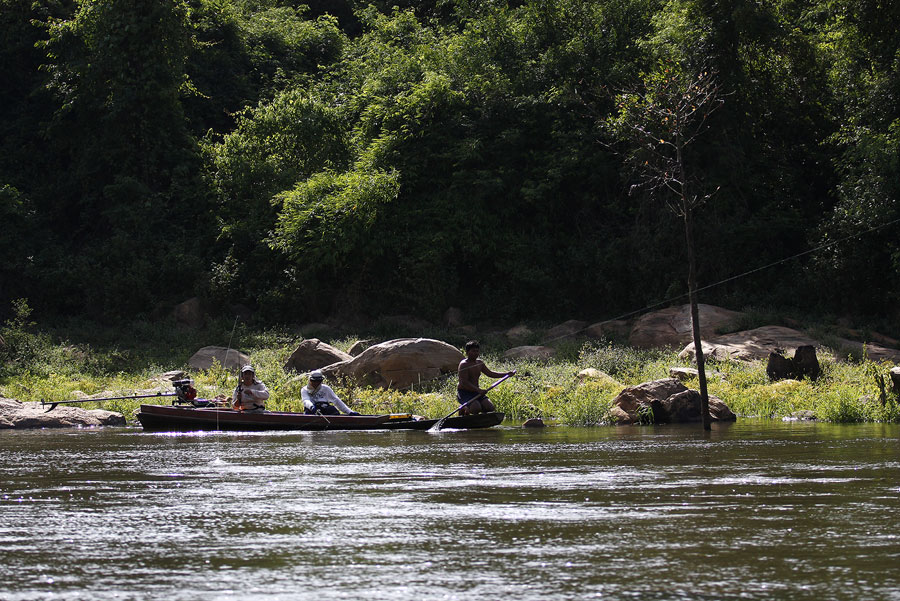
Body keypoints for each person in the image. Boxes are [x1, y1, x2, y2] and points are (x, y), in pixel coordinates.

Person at [457, 340, 515, 415]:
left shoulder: (480, 363)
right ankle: (463, 408)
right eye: (473, 351)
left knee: (490, 408)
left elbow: (490, 373)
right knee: (476, 408)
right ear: (467, 352)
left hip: (476, 392)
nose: (475, 353)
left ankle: (480, 420)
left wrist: (506, 374)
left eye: (477, 351)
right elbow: (464, 382)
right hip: (464, 393)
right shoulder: (464, 364)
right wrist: (478, 390)